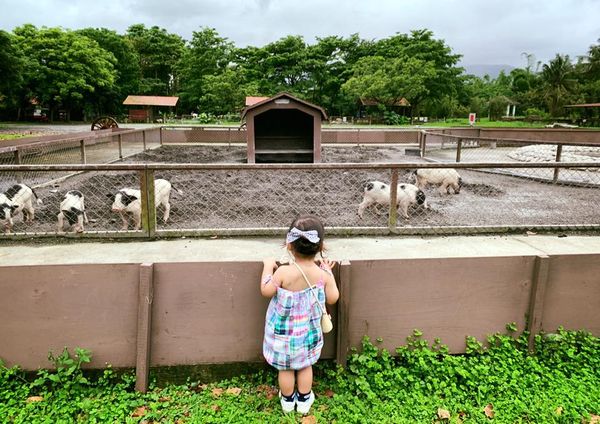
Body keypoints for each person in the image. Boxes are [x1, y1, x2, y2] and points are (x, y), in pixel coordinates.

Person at [260, 214, 340, 414]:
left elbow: (266, 290)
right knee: (305, 366)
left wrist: (267, 267)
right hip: (308, 334)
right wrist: (329, 274)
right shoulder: (322, 275)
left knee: (285, 368)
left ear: (289, 245)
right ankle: (304, 401)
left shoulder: (283, 273)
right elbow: (333, 298)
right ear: (321, 248)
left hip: (283, 334)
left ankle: (287, 401)